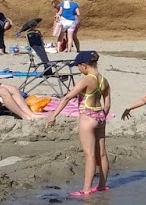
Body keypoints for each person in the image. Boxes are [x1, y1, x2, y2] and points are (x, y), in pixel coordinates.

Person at [47, 50, 111, 196]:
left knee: (89, 155)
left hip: (87, 117)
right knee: (101, 153)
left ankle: (86, 189)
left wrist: (53, 115)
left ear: (84, 65)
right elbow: (107, 103)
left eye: (78, 66)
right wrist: (102, 116)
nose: (78, 69)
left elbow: (67, 97)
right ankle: (102, 185)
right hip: (100, 116)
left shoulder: (87, 80)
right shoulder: (103, 80)